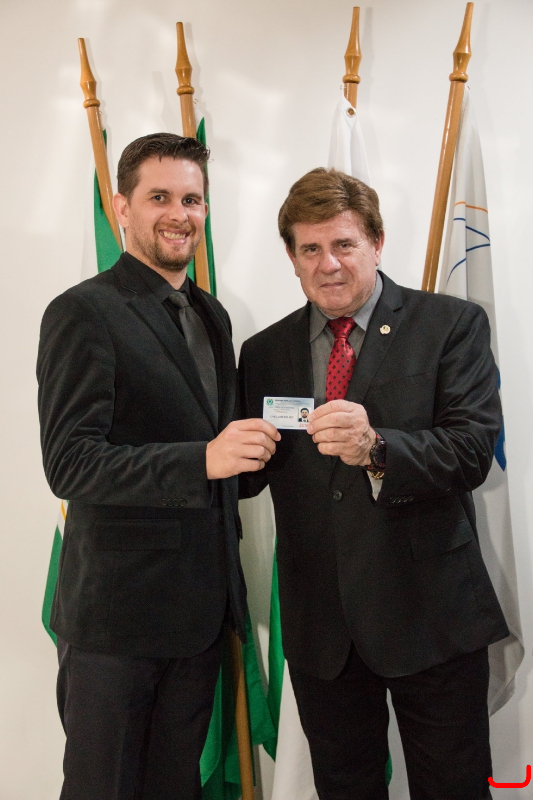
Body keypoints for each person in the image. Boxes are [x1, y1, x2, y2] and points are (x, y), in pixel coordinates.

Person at [238, 168, 509, 800]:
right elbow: (254, 473)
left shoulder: (450, 325)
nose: (328, 264)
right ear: (291, 257)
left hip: (432, 616)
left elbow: (472, 451)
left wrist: (377, 449)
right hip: (322, 628)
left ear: (377, 242)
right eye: (310, 249)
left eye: (344, 244)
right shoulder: (262, 352)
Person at [37, 132, 279, 800]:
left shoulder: (210, 314)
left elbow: (223, 460)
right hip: (115, 622)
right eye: (160, 197)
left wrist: (281, 449)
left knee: (176, 789)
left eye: (192, 199)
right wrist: (203, 459)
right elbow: (71, 463)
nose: (179, 214)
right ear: (122, 207)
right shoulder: (83, 311)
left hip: (199, 616)